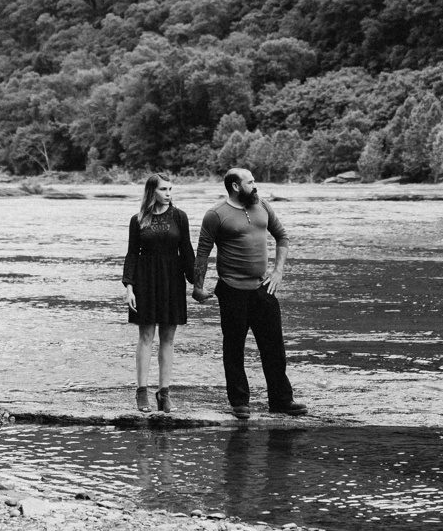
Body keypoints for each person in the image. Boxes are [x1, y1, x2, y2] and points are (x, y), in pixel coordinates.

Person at [191, 166, 308, 417]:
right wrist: (198, 287)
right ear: (235, 186)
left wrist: (278, 272)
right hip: (232, 289)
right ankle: (239, 402)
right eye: (250, 182)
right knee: (234, 347)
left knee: (274, 347)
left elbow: (283, 237)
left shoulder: (262, 206)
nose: (255, 186)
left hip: (262, 287)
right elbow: (202, 253)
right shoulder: (215, 214)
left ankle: (281, 401)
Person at [122, 173, 194, 413]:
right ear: (152, 192)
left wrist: (197, 284)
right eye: (164, 189)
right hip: (145, 280)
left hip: (172, 280)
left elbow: (187, 252)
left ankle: (164, 393)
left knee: (168, 338)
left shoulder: (180, 217)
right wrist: (129, 287)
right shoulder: (138, 219)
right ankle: (141, 392)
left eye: (170, 189)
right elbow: (132, 254)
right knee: (146, 336)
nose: (168, 193)